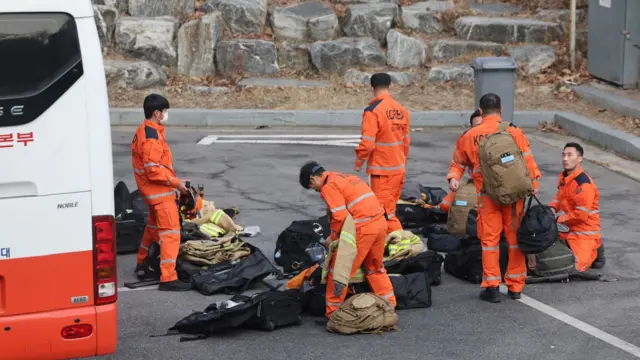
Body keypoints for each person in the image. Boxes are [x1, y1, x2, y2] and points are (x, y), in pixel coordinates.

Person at [447, 93, 542, 303]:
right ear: (501, 110)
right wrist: (533, 186)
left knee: (489, 241)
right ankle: (516, 286)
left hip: (487, 196)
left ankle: (491, 287)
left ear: (480, 111)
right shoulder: (512, 130)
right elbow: (528, 161)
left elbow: (458, 163)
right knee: (515, 239)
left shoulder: (469, 135)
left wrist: (453, 178)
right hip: (514, 194)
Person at [299, 161, 396, 319]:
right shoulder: (345, 177)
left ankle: (333, 314)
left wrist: (334, 238)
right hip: (379, 223)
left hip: (363, 229)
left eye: (312, 187)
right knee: (374, 268)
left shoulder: (328, 186)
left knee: (339, 272)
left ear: (313, 179)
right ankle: (389, 305)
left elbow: (340, 216)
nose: (316, 191)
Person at [132, 94, 191, 292]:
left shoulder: (146, 130)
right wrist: (176, 183)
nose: (166, 115)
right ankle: (168, 278)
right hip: (160, 194)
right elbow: (153, 170)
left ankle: (142, 263)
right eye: (165, 111)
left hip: (152, 193)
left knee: (152, 228)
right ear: (157, 113)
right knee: (171, 233)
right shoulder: (151, 138)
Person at [354, 73, 410, 235]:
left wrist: (359, 162)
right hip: (398, 169)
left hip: (382, 172)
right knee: (389, 209)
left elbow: (368, 143)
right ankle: (388, 245)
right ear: (390, 86)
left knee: (384, 213)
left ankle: (402, 243)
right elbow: (406, 142)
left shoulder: (373, 111)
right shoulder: (401, 110)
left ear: (372, 89)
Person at [548, 142, 603, 271]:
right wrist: (551, 209)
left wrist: (557, 220)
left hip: (584, 232)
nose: (565, 159)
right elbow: (559, 196)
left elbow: (581, 215)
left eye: (569, 155)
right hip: (569, 228)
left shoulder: (584, 185)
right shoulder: (565, 178)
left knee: (576, 267)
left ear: (579, 159)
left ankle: (596, 249)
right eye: (563, 155)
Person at [438, 109, 483, 214]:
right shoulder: (467, 140)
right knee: (446, 205)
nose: (480, 130)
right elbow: (458, 164)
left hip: (497, 186)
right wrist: (454, 178)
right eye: (476, 126)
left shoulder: (502, 139)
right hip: (476, 186)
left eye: (482, 125)